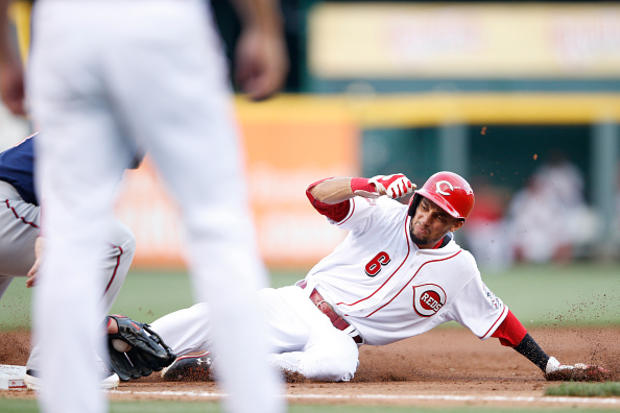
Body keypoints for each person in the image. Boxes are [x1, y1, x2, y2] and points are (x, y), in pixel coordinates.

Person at [1, 1, 288, 413]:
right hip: (160, 19)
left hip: (64, 26)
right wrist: (264, 28)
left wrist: (7, 58)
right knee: (204, 228)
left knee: (77, 238)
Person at [108, 172, 608, 383]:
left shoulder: (460, 269)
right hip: (300, 302)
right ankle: (114, 345)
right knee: (211, 313)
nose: (427, 219)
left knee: (334, 365)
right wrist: (367, 186)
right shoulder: (383, 212)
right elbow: (317, 195)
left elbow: (501, 322)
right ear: (418, 200)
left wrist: (549, 364)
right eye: (426, 206)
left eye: (442, 216)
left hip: (342, 335)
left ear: (457, 225)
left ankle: (220, 366)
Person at [0, 132, 136, 390]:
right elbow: (61, 175)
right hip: (4, 206)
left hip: (8, 208)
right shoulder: (99, 131)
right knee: (117, 243)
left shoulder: (89, 122)